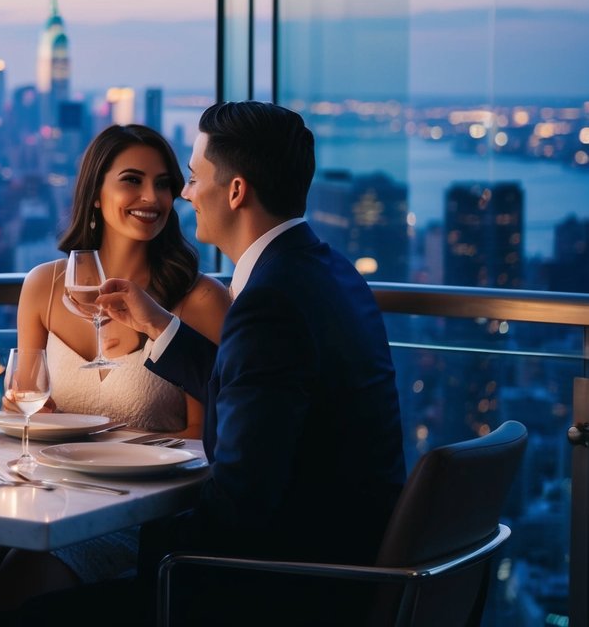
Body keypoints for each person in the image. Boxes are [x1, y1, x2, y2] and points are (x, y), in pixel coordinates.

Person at [91, 101, 407, 624]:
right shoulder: (329, 272)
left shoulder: (268, 302)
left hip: (287, 589)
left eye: (192, 179)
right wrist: (157, 326)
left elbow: (241, 504)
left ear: (236, 191)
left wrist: (130, 538)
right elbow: (256, 388)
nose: (185, 195)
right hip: (350, 565)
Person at [0, 123, 229, 627]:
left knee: (26, 577)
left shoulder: (199, 301)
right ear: (96, 194)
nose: (151, 197)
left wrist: (94, 446)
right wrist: (28, 410)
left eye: (164, 184)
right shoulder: (44, 287)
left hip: (139, 510)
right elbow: (28, 397)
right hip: (51, 489)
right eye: (132, 181)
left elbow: (206, 439)